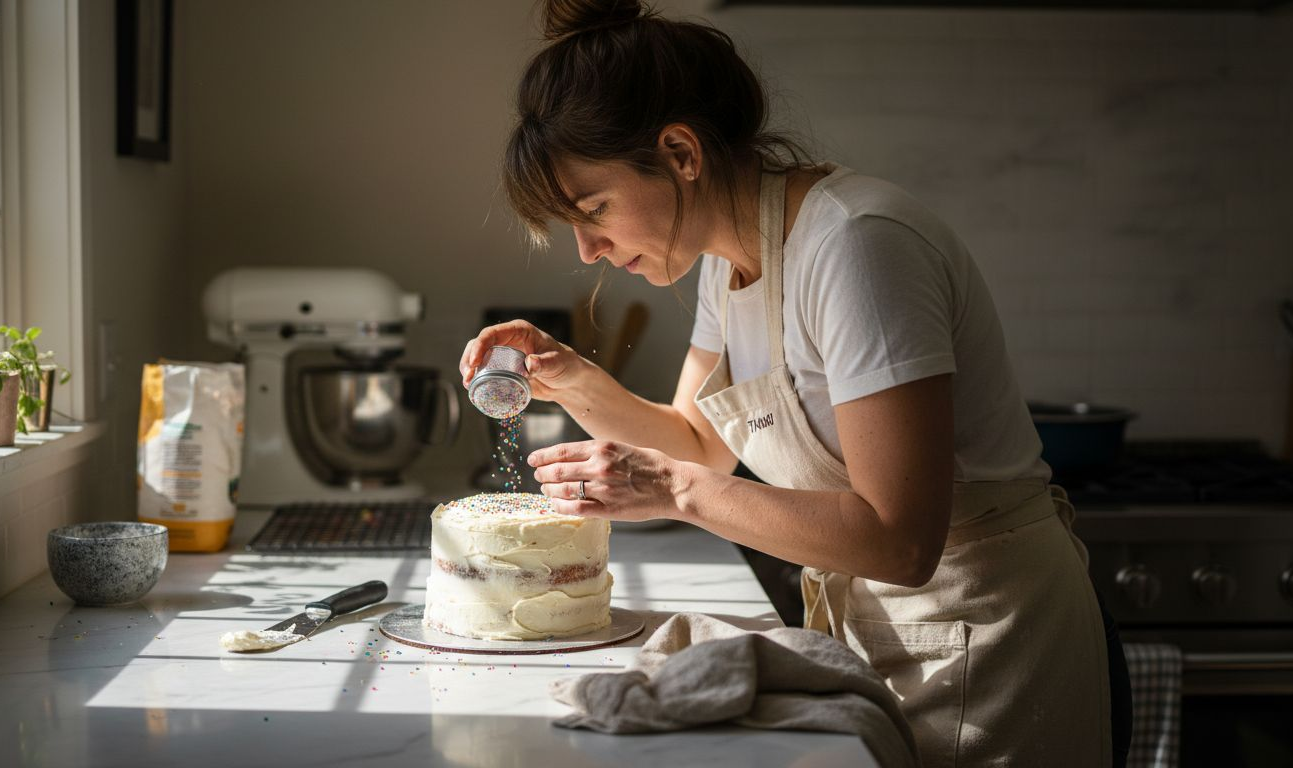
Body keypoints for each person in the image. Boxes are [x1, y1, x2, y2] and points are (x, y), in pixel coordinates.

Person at [460, 1, 1131, 765]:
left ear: (681, 151)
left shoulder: (856, 246)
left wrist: (676, 491)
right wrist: (573, 379)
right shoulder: (727, 258)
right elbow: (697, 444)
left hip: (985, 639)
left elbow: (901, 539)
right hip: (877, 632)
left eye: (595, 210)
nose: (586, 251)